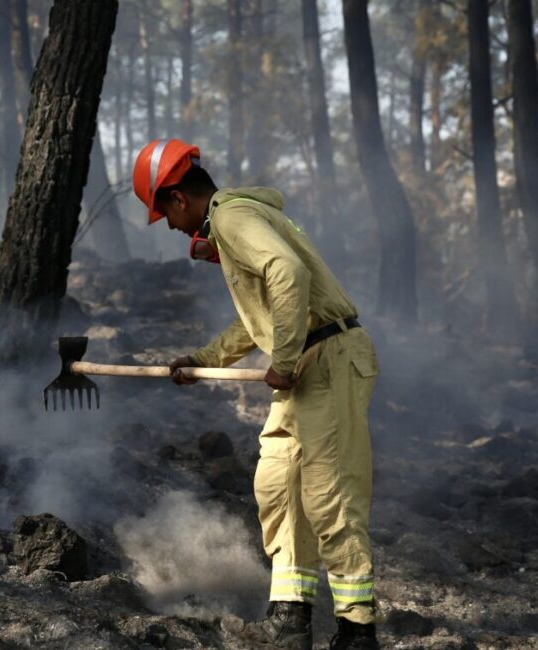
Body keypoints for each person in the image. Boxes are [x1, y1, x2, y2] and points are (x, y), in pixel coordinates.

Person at [132, 139, 382, 650]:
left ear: (178, 197)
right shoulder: (235, 220)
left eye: (166, 215)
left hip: (327, 360)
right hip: (309, 363)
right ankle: (290, 618)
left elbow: (287, 273)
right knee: (279, 486)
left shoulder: (231, 217)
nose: (173, 228)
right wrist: (204, 360)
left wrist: (284, 361)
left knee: (329, 495)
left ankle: (358, 632)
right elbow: (261, 314)